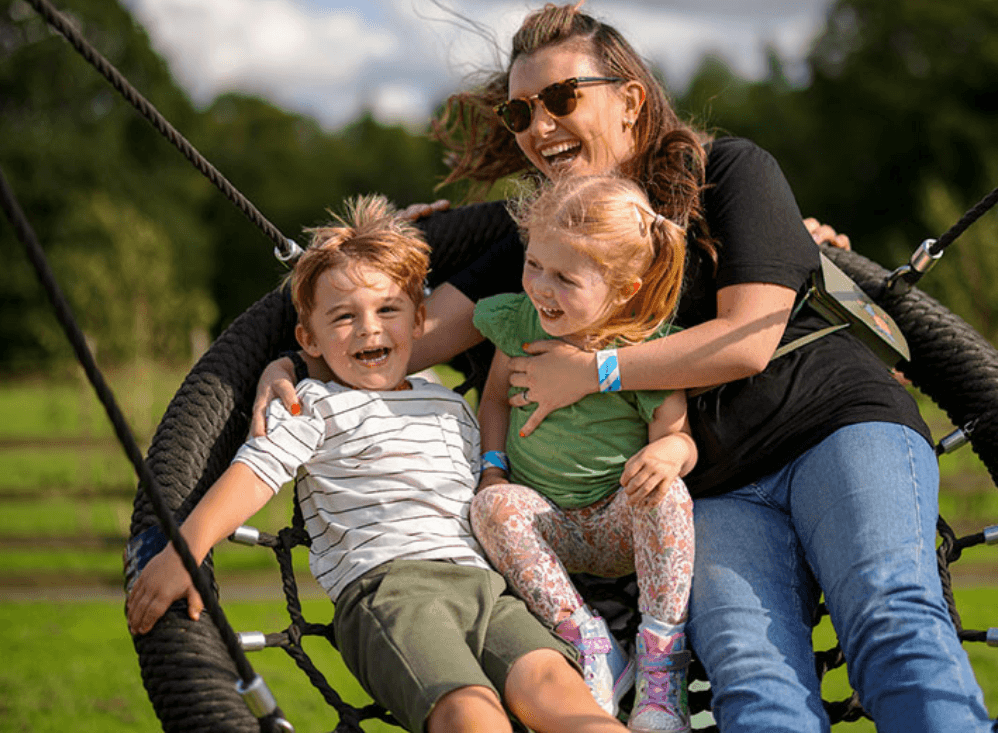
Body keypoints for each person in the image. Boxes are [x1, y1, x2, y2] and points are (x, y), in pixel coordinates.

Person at [257, 1, 991, 732]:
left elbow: (748, 339)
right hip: (716, 489)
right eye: (519, 114)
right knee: (752, 668)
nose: (539, 126)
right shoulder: (541, 244)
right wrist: (296, 358)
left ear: (630, 99)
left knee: (888, 613)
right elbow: (401, 340)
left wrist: (596, 370)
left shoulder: (728, 172)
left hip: (833, 423)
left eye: (560, 99)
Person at [128, 195, 630, 733]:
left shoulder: (449, 403)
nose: (370, 329)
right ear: (309, 339)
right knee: (471, 715)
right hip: (390, 589)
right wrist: (188, 547)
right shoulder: (315, 402)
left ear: (419, 322)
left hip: (486, 584)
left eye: (388, 310)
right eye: (344, 317)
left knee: (565, 696)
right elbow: (258, 471)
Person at [470, 174, 696, 732]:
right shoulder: (518, 324)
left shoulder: (646, 348)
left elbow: (679, 436)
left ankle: (661, 673)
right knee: (490, 508)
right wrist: (493, 468)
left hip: (620, 525)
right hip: (547, 529)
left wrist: (669, 456)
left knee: (669, 494)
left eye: (566, 278)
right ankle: (588, 640)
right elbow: (494, 401)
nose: (541, 288)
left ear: (621, 288)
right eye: (534, 265)